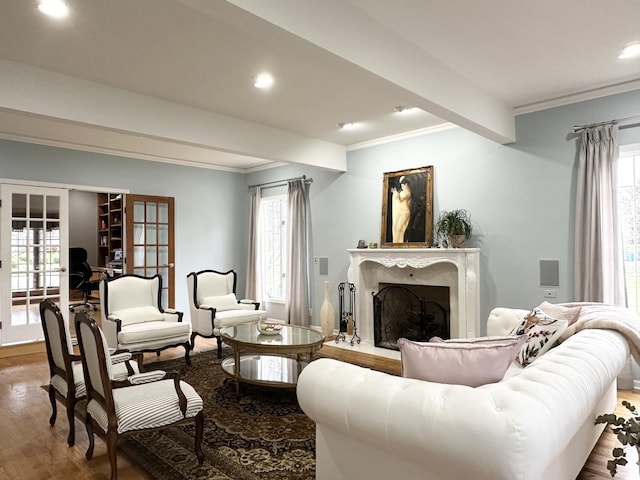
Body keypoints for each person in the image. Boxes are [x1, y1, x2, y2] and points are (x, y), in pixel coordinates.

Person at [391, 176, 412, 243]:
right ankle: (396, 243)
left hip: (404, 213)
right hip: (400, 212)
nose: (402, 185)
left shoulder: (408, 193)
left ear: (407, 184)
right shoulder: (403, 192)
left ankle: (399, 243)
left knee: (399, 229)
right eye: (401, 184)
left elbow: (400, 199)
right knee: (396, 228)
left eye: (403, 184)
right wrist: (395, 193)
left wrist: (395, 193)